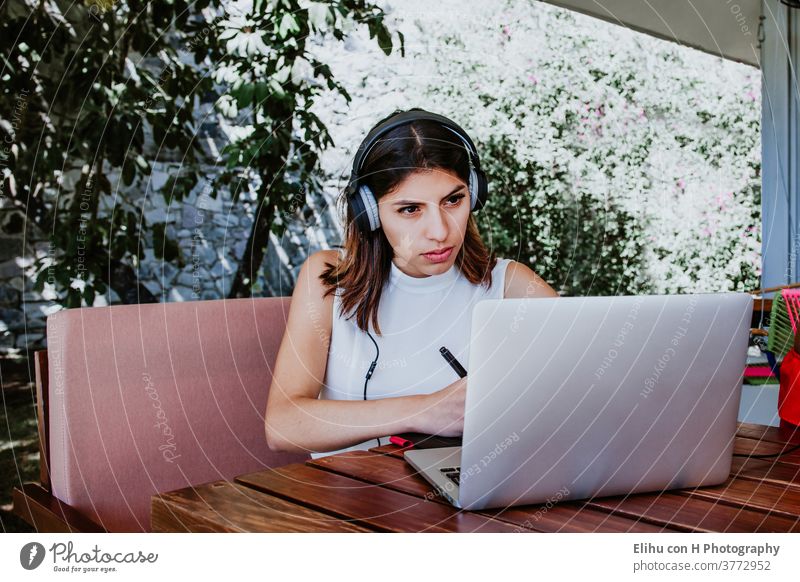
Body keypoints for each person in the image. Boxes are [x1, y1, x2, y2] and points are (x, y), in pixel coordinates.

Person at [265, 108, 558, 457]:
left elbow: (587, 397)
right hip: (347, 502)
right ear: (370, 212)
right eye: (410, 209)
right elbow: (282, 424)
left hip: (466, 497)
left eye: (454, 199)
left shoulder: (510, 285)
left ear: (474, 194)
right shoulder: (327, 279)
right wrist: (426, 410)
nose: (440, 232)